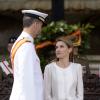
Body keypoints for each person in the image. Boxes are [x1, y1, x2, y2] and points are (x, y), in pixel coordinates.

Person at [9, 10, 48, 100]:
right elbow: (27, 80)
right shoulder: (26, 46)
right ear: (36, 24)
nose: (40, 29)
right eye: (41, 26)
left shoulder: (20, 42)